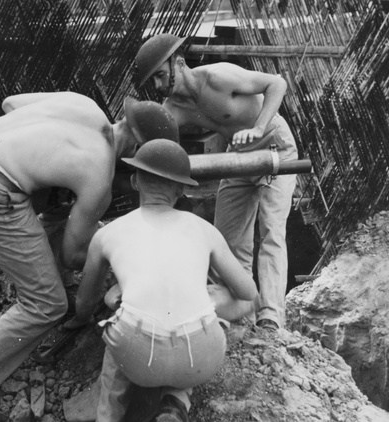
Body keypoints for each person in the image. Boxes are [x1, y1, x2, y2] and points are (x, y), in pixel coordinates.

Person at [0, 93, 180, 422]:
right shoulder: (99, 173)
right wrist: (112, 264)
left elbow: (9, 104)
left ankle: (43, 293)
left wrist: (50, 177)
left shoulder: (85, 106)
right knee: (47, 303)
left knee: (58, 206)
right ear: (139, 150)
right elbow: (72, 252)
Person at [64, 138, 258, 422]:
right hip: (201, 355)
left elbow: (85, 301)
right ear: (180, 190)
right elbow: (248, 291)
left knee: (118, 323)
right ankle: (175, 403)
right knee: (225, 303)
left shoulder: (108, 234)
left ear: (134, 181)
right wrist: (209, 295)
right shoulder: (203, 229)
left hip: (138, 358)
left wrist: (87, 314)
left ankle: (108, 416)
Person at [134, 33, 299, 331]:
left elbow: (277, 83)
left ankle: (271, 317)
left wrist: (258, 127)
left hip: (275, 146)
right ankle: (241, 309)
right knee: (227, 238)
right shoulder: (174, 110)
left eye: (160, 76)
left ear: (179, 63)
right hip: (236, 157)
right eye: (154, 81)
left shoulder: (219, 77)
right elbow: (148, 141)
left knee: (272, 229)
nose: (159, 86)